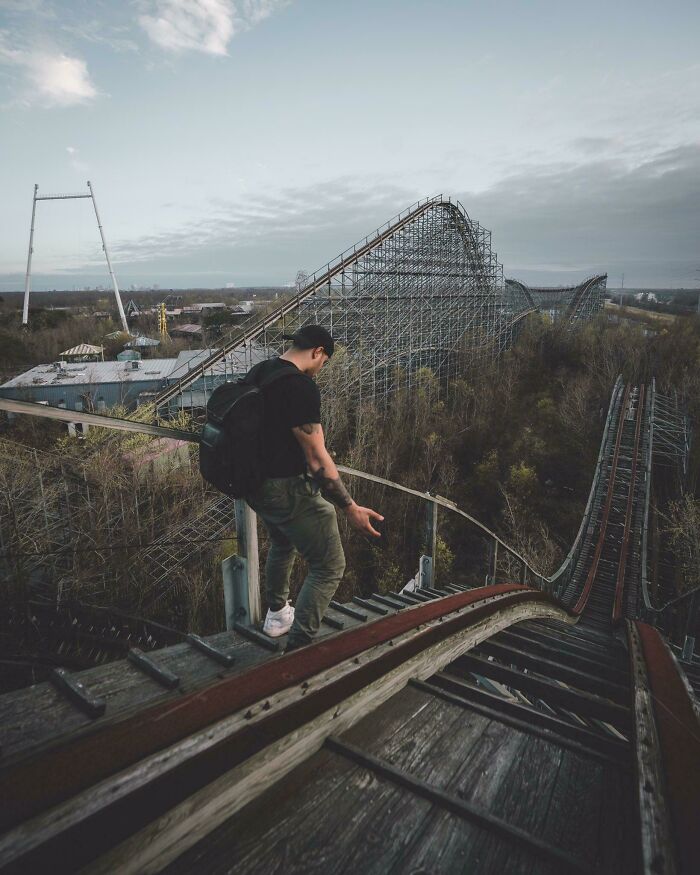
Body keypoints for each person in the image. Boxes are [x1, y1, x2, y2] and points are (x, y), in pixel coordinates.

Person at [243, 324, 384, 652]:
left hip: (256, 487)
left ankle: (277, 615)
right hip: (287, 490)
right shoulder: (300, 387)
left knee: (282, 543)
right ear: (318, 351)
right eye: (325, 361)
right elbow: (318, 460)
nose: (322, 369)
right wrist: (350, 507)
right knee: (330, 565)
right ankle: (299, 651)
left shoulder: (260, 371)